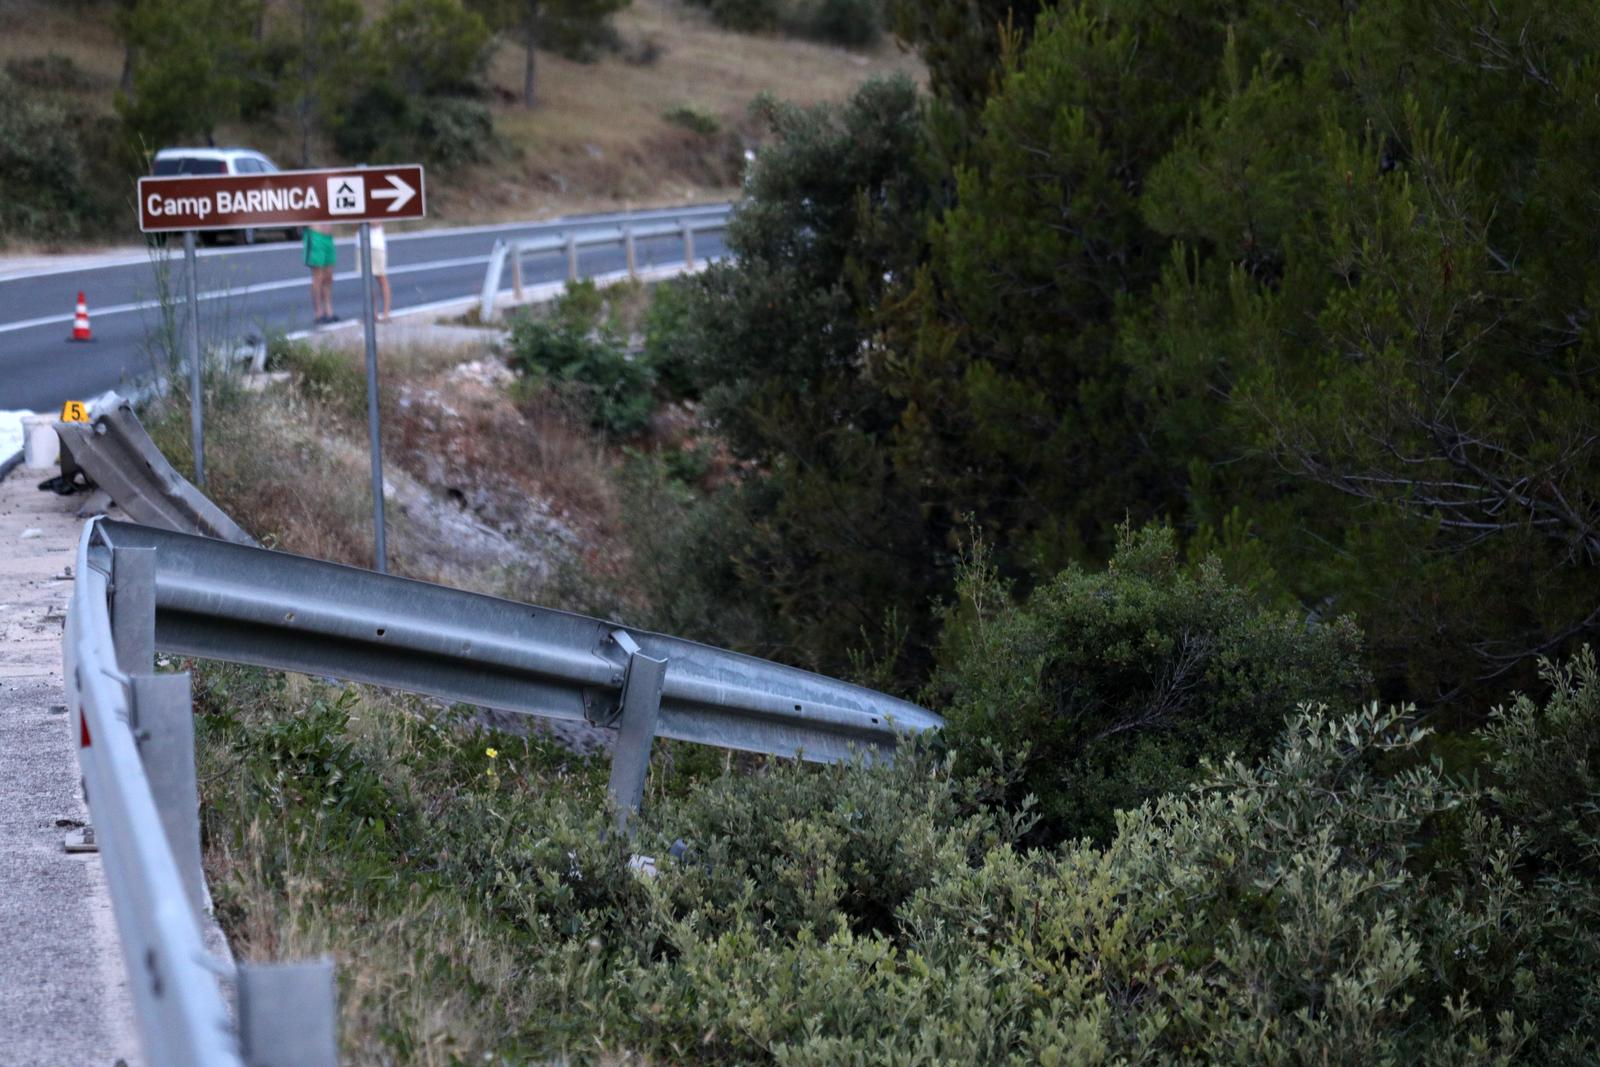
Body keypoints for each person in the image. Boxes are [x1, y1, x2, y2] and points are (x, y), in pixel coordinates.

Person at [303, 223, 336, 325]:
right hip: (314, 235)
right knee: (318, 276)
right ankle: (318, 312)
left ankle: (328, 310)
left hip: (328, 236)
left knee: (328, 276)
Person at [358, 223, 392, 322]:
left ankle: (386, 314)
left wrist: (362, 220)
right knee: (366, 281)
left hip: (376, 245)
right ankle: (373, 313)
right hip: (360, 243)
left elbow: (376, 222)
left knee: (381, 278)